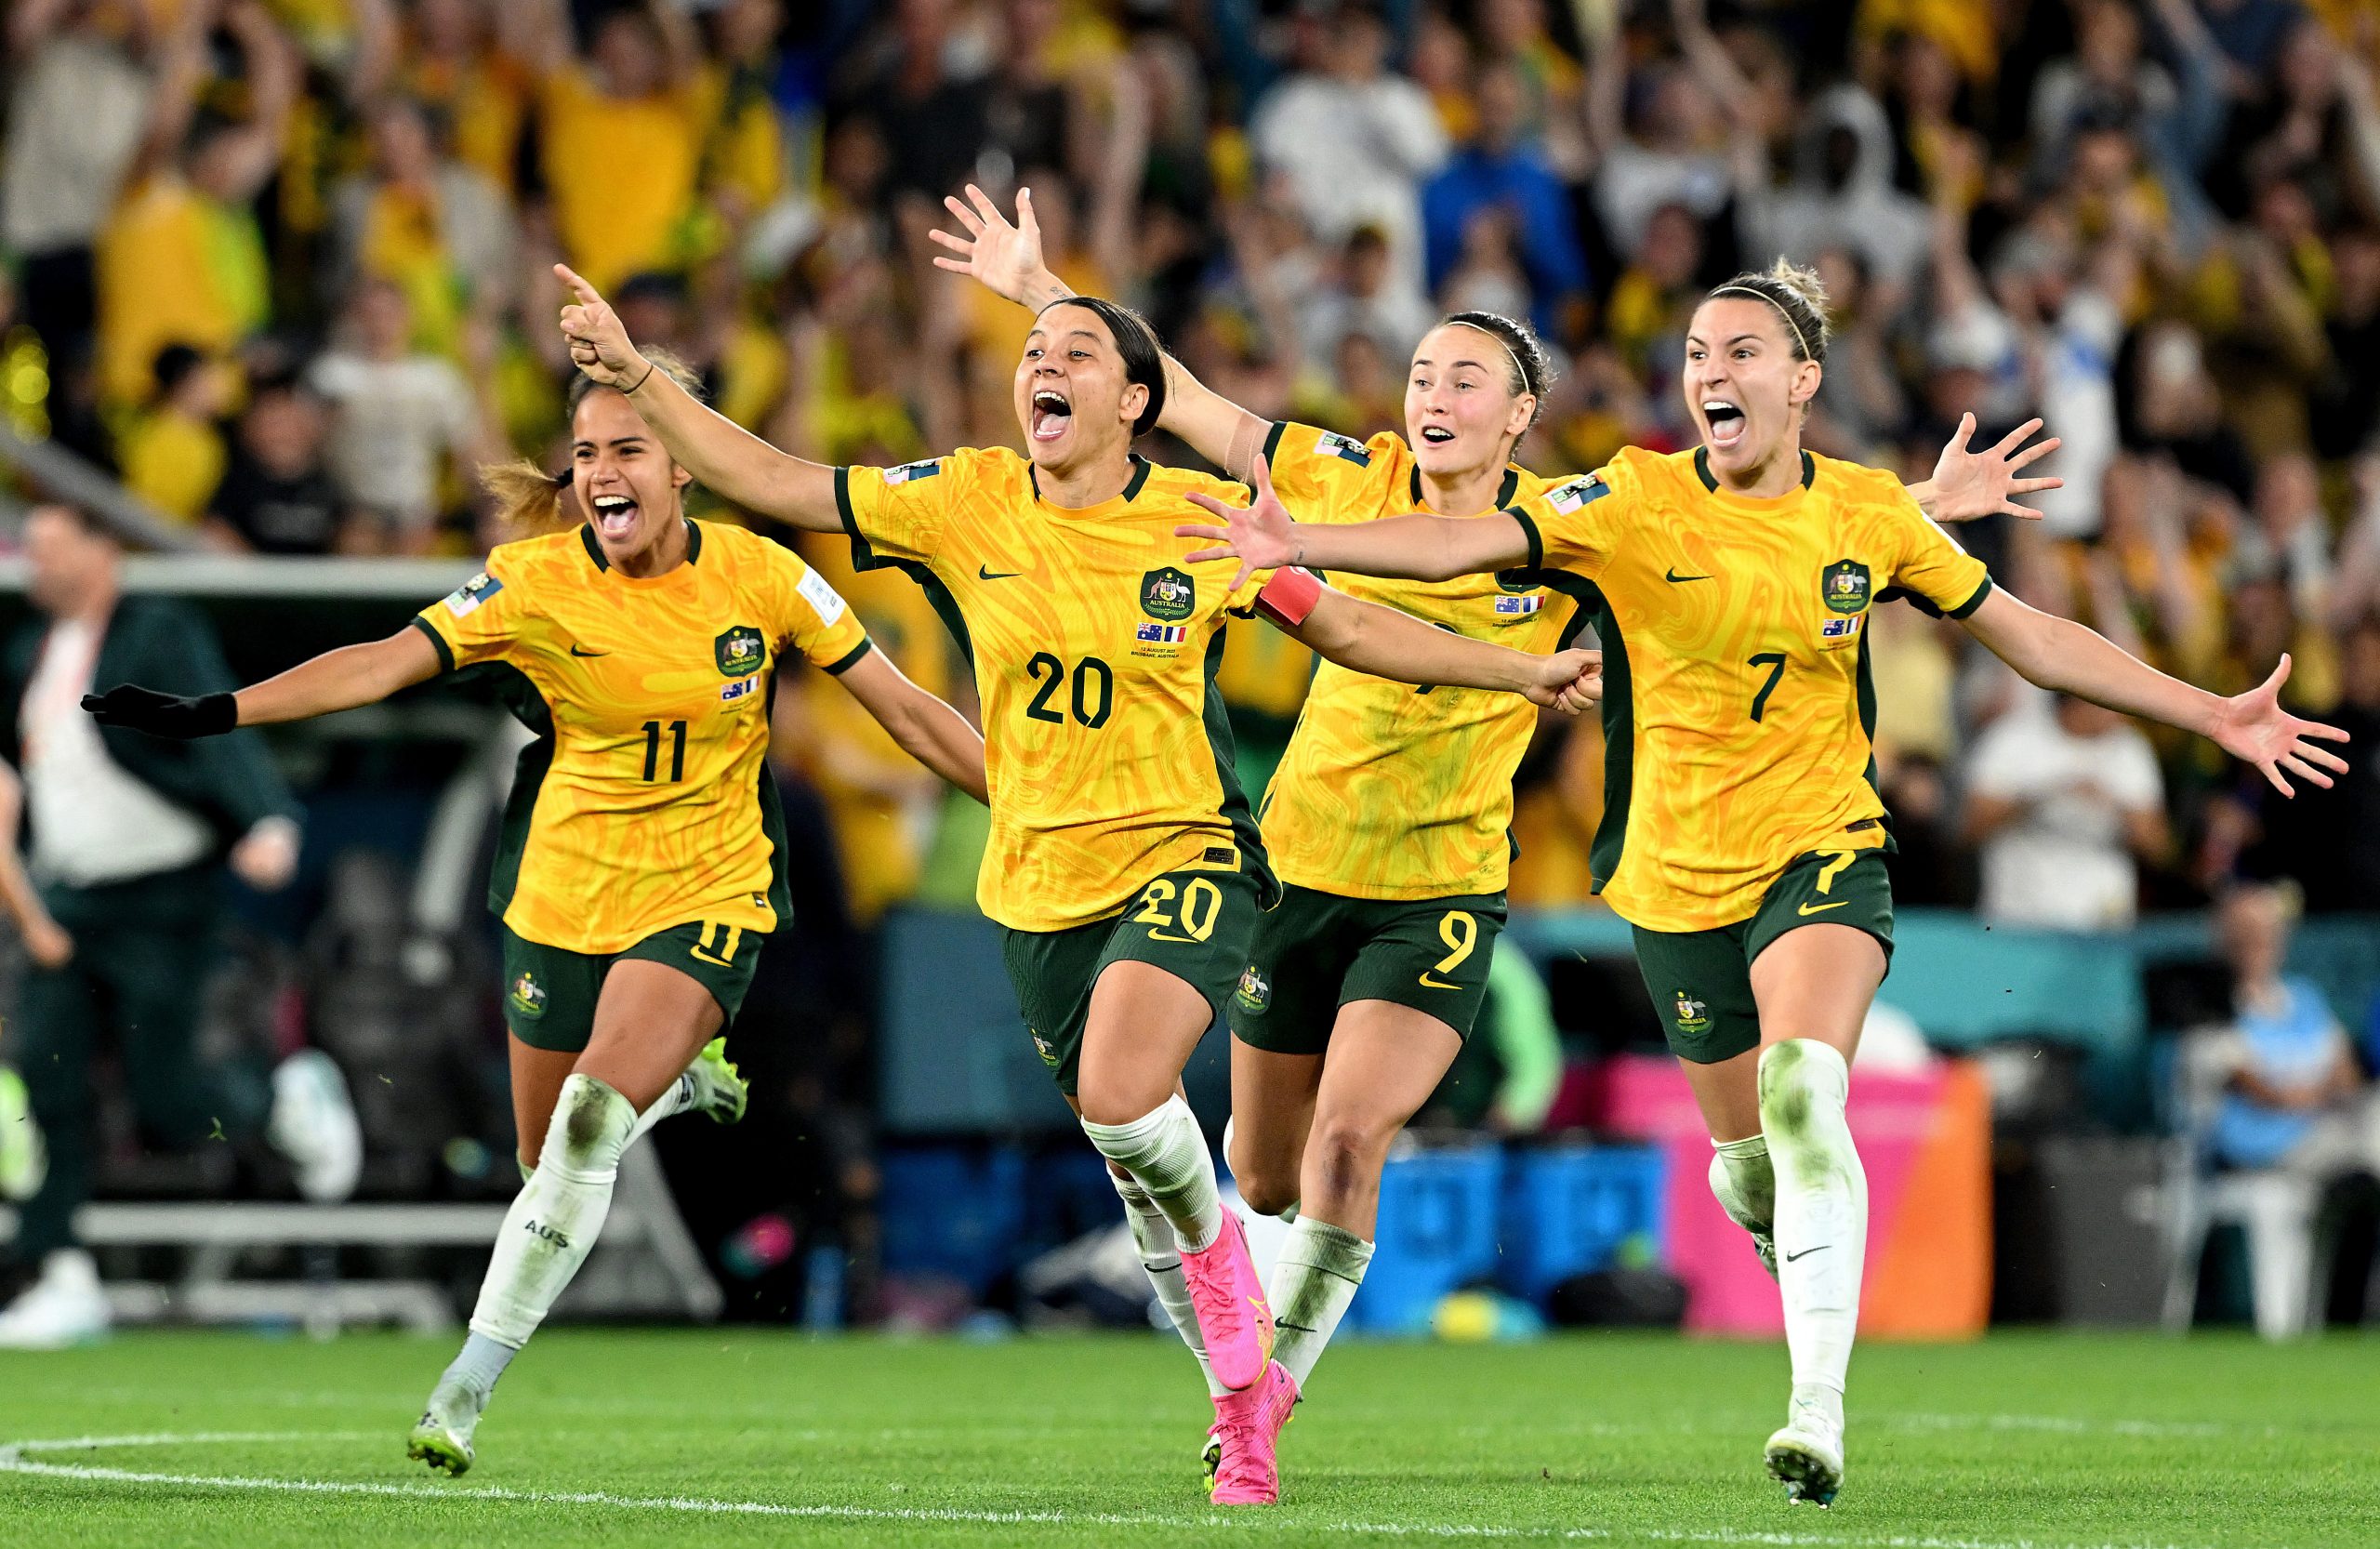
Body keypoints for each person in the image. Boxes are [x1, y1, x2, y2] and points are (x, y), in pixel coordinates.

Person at [930, 183, 2072, 1500]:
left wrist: (1915, 505)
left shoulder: (1567, 530)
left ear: (1519, 412)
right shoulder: (1336, 477)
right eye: (1422, 373)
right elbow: (1173, 394)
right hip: (1296, 874)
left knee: (1351, 1140)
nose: (1431, 393)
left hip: (1442, 892)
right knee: (1263, 1168)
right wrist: (1042, 293)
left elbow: (1754, 531)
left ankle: (1263, 1404)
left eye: (1463, 378)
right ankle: (1249, 1342)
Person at [1174, 258, 2348, 1507]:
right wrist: (1307, 541)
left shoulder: (1866, 512)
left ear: (1802, 380)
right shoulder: (1629, 498)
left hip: (1820, 849)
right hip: (1675, 882)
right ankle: (1766, 1223)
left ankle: (1815, 1411)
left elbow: (2030, 636)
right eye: (1695, 353)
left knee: (1804, 1090)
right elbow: (1463, 539)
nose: (1709, 373)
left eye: (1739, 352)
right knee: (1742, 1166)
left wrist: (2208, 710)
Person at [548, 262, 1601, 1507]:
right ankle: (1230, 1347)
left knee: (1217, 1109)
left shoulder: (1208, 518)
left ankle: (1251, 1364)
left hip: (1212, 855)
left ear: (1130, 401)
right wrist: (640, 378)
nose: (1042, 367)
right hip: (1056, 877)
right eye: (1031, 351)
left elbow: (1348, 624)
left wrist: (1520, 671)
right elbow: (778, 479)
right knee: (1193, 1160)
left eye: (1076, 354)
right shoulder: (967, 497)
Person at [78, 352, 990, 1475]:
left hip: (707, 891)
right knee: (543, 1154)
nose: (603, 471)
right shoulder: (532, 582)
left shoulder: (766, 577)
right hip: (561, 901)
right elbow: (381, 664)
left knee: (589, 1126)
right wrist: (221, 714)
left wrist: (1035, 802)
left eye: (629, 449)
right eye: (588, 452)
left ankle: (462, 1390)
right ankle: (679, 1086)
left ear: (684, 465)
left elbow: (907, 709)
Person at [0, 502, 360, 1351]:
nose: (36, 565)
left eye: (52, 548)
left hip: (163, 896)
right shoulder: (28, 653)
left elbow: (214, 719)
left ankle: (281, 1099)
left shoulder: (156, 630)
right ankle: (58, 1272)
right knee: (47, 1077)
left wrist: (266, 818)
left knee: (167, 1092)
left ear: (104, 549)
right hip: (70, 897)